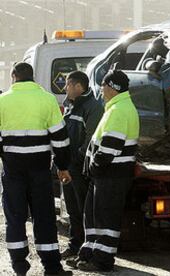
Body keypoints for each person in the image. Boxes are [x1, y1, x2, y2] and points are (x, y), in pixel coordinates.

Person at [0, 62, 73, 275]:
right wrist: (63, 166)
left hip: (13, 169)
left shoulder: (2, 101)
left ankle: (19, 267)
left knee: (15, 216)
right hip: (40, 168)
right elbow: (60, 139)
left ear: (13, 77)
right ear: (32, 77)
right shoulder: (47, 100)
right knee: (44, 216)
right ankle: (51, 267)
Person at [67, 70, 139, 272]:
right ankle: (88, 253)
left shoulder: (119, 110)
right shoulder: (116, 107)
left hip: (111, 174)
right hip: (104, 174)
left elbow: (109, 146)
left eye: (104, 85)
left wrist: (95, 166)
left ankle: (103, 260)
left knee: (106, 220)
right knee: (93, 216)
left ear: (112, 88)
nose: (101, 89)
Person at [60, 71, 103, 259]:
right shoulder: (70, 105)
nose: (65, 88)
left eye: (68, 84)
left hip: (79, 168)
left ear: (79, 86)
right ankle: (75, 245)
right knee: (72, 210)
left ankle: (87, 250)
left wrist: (74, 161)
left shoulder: (92, 107)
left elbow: (90, 140)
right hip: (68, 167)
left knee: (83, 210)